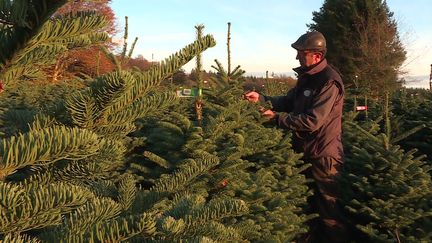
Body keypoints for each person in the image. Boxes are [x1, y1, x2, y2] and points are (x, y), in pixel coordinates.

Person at [244, 31, 349, 242]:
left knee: (329, 212)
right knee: (307, 207)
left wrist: (276, 119)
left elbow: (312, 121)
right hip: (305, 152)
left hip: (323, 156)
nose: (297, 58)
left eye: (301, 54)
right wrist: (263, 98)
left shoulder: (329, 82)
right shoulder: (307, 78)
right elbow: (288, 101)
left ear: (316, 55)